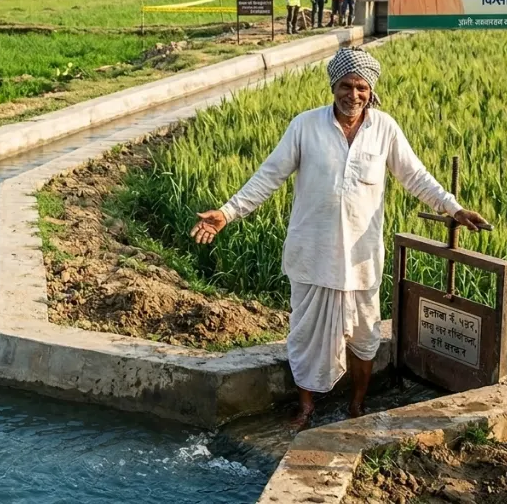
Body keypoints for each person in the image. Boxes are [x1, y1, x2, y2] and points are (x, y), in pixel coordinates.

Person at [191, 48, 489, 428]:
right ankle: (306, 407)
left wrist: (453, 208)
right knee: (305, 337)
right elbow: (269, 176)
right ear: (333, 86)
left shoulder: (384, 129)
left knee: (364, 339)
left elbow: (416, 176)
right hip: (312, 257)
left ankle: (357, 407)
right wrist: (227, 212)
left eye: (361, 87)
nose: (354, 94)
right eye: (346, 85)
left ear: (371, 90)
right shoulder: (305, 126)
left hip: (360, 262)